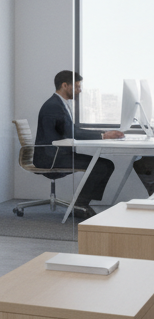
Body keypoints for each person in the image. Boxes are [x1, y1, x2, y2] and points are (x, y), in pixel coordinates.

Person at [33, 70, 123, 218]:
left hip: (58, 154)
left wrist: (103, 133)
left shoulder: (60, 103)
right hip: (51, 157)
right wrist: (103, 136)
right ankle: (80, 205)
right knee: (102, 166)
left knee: (104, 165)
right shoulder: (54, 106)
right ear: (64, 85)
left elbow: (73, 130)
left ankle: (81, 204)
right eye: (77, 86)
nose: (79, 90)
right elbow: (71, 133)